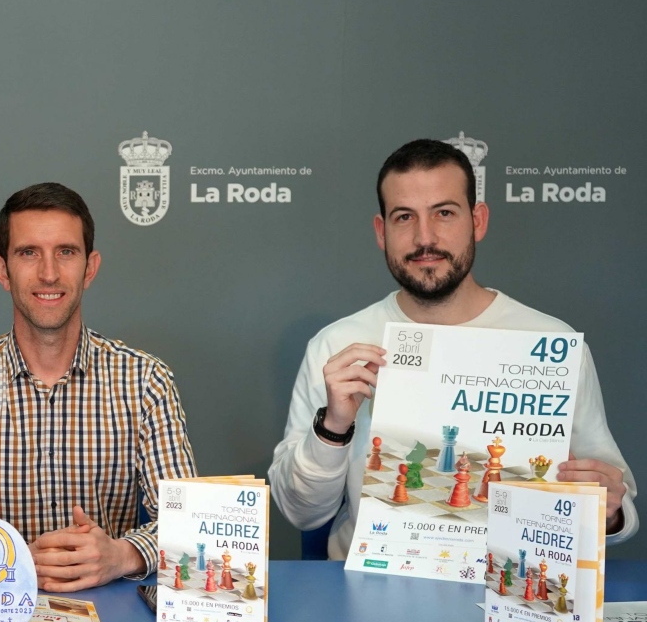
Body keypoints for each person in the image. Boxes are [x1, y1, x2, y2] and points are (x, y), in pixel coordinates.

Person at [270, 139, 637, 558]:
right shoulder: (339, 348)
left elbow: (619, 509)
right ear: (381, 231)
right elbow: (302, 514)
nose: (425, 238)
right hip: (370, 592)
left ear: (477, 221)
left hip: (507, 594)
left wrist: (608, 510)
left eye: (444, 213)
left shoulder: (548, 343)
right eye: (404, 217)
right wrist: (333, 427)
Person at [0, 183, 198, 592]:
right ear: (2, 270)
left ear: (89, 268)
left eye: (66, 252)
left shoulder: (145, 380)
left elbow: (185, 519)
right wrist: (12, 557)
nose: (49, 273)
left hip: (113, 617)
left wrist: (121, 555)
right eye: (28, 253)